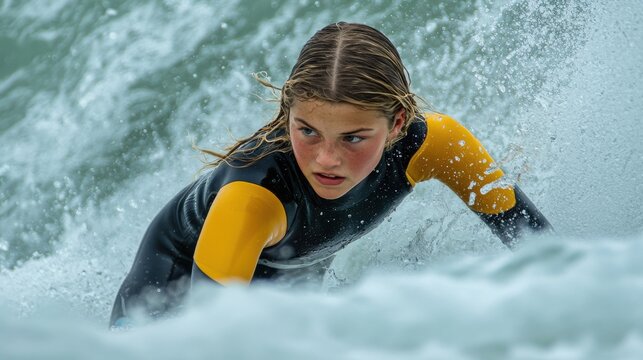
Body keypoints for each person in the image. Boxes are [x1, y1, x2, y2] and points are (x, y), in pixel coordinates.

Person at [110, 22, 552, 327]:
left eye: (353, 138)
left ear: (396, 123)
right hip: (166, 303)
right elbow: (204, 340)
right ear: (288, 113)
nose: (325, 159)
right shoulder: (253, 197)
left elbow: (538, 245)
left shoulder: (435, 144)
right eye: (308, 131)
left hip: (288, 285)